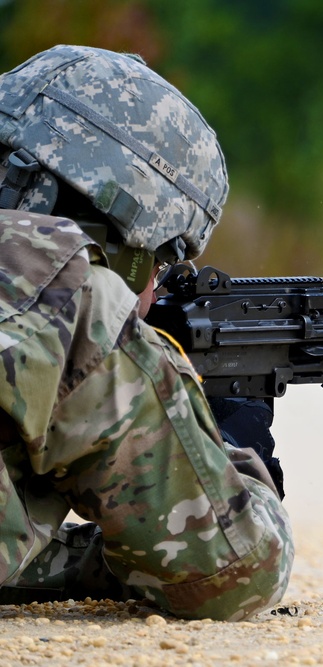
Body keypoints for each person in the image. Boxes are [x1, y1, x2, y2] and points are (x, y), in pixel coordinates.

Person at [0, 45, 293, 620]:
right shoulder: (70, 286)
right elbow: (233, 574)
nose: (154, 294)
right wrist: (240, 462)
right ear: (118, 230)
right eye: (160, 264)